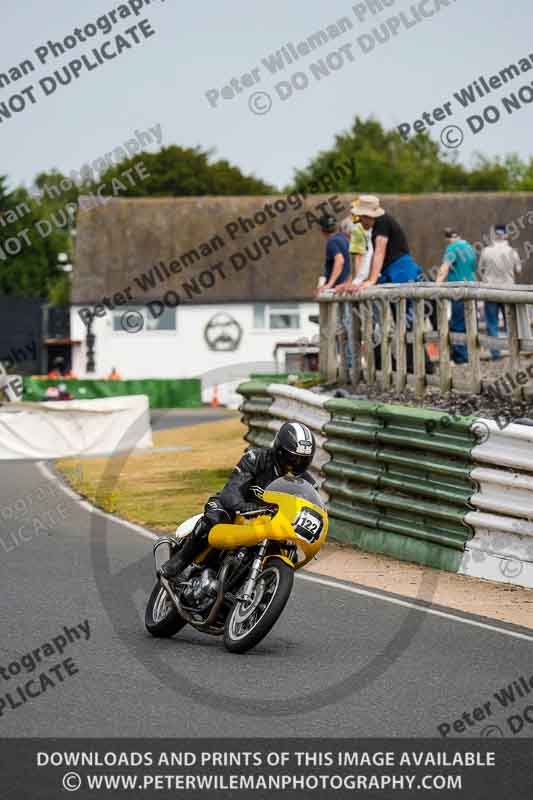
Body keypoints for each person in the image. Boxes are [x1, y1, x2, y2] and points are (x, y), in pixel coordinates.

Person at [159, 422, 317, 582]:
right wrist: (242, 506)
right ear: (279, 450)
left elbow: (310, 509)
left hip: (269, 523)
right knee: (216, 517)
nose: (297, 463)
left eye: (303, 459)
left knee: (290, 553)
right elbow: (232, 489)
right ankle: (181, 562)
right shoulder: (256, 459)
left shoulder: (306, 483)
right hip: (235, 508)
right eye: (293, 457)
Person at [479, 224, 522, 360]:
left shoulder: (486, 251)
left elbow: (480, 270)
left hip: (491, 291)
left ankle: (496, 354)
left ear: (493, 235)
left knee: (492, 324)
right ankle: (512, 352)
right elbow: (518, 270)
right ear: (506, 235)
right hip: (508, 292)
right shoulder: (512, 252)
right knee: (510, 323)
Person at [436, 227, 478, 364]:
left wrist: (436, 286)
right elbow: (473, 268)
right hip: (473, 289)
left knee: (457, 324)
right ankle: (472, 355)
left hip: (458, 291)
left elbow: (445, 267)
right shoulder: (470, 248)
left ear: (447, 239)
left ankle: (461, 358)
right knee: (471, 324)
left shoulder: (452, 248)